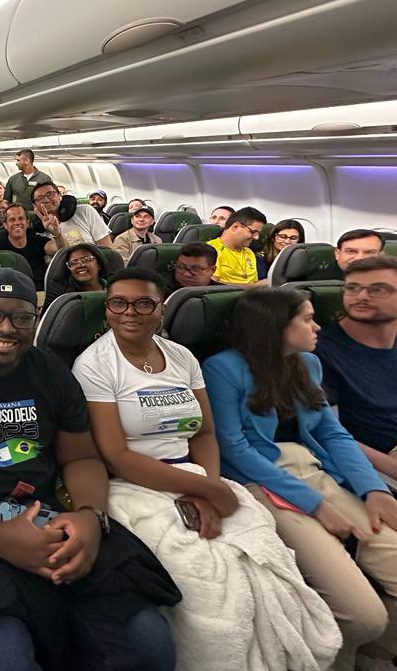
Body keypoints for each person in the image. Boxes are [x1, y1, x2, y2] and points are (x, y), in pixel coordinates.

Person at [0, 268, 179, 671]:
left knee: (150, 646)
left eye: (21, 317)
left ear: (35, 320)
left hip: (50, 518)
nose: (6, 328)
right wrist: (0, 538)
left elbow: (80, 458)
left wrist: (90, 516)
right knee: (4, 663)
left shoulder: (53, 374)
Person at [73, 271, 340, 671]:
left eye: (144, 303)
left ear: (161, 310)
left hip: (196, 474)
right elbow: (116, 456)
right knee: (210, 583)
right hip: (134, 485)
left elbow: (205, 433)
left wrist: (208, 486)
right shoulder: (95, 364)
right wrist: (210, 492)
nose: (130, 312)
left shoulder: (182, 358)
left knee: (264, 567)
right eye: (118, 303)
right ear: (107, 309)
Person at [203, 289, 397, 671]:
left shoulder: (307, 363)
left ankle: (371, 655)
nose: (317, 326)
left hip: (318, 471)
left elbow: (332, 433)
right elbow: (234, 450)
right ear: (275, 326)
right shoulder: (222, 369)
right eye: (307, 319)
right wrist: (316, 505)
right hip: (262, 483)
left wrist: (373, 489)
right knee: (364, 616)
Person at [315, 256, 397, 478]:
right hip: (375, 461)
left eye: (378, 289)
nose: (361, 297)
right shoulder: (320, 352)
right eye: (352, 288)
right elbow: (328, 434)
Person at [0, 203, 61, 290]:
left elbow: (61, 250)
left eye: (21, 218)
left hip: (39, 292)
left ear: (27, 223)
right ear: (5, 225)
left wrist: (56, 233)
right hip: (12, 293)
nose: (17, 223)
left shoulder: (37, 240)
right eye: (12, 220)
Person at [31, 181, 112, 248]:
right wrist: (56, 234)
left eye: (50, 194)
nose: (46, 200)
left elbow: (107, 248)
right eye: (40, 198)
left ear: (60, 195)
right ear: (34, 205)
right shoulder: (38, 232)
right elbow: (55, 251)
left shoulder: (85, 211)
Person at [206, 206, 267, 286]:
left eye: (258, 233)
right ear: (235, 227)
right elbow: (212, 285)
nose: (257, 237)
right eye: (253, 232)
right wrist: (254, 286)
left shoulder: (249, 252)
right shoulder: (211, 250)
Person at [44, 243, 110, 309]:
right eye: (73, 263)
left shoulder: (112, 287)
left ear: (99, 264)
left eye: (86, 260)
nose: (80, 265)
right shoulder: (66, 298)